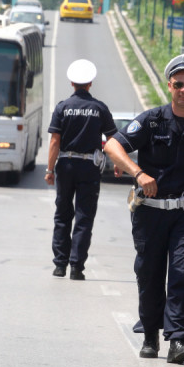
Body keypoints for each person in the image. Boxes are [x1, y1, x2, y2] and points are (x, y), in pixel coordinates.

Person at [104, 54, 184, 364]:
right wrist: (138, 172)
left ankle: (179, 339)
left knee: (182, 272)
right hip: (150, 213)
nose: (183, 90)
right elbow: (112, 146)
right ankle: (150, 335)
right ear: (169, 85)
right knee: (149, 273)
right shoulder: (151, 120)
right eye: (178, 85)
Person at [45, 59, 118, 281]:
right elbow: (113, 140)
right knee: (84, 218)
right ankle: (77, 267)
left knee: (62, 216)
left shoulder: (62, 107)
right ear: (90, 83)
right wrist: (119, 166)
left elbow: (54, 142)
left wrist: (50, 170)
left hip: (66, 165)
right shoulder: (100, 108)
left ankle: (60, 265)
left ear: (71, 82)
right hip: (89, 167)